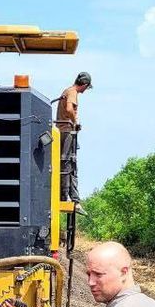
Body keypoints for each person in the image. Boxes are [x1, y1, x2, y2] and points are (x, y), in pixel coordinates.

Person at [55, 71, 91, 213]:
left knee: (65, 162)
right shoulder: (72, 92)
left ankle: (65, 195)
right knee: (69, 163)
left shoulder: (67, 90)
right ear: (85, 85)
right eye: (87, 88)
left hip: (62, 130)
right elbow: (70, 108)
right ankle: (70, 199)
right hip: (67, 131)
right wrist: (76, 122)